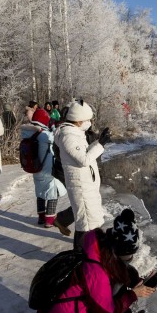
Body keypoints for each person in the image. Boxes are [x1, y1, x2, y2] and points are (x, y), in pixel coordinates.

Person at [36, 209, 157, 313]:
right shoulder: (96, 272)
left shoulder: (101, 250)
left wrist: (139, 284)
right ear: (119, 251)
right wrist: (133, 294)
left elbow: (124, 275)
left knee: (124, 293)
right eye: (129, 256)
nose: (130, 259)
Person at [53, 100, 112, 249]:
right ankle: (80, 257)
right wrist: (100, 145)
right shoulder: (69, 136)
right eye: (87, 120)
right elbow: (84, 159)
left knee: (87, 219)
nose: (89, 122)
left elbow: (83, 153)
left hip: (85, 182)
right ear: (78, 120)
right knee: (84, 223)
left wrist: (99, 141)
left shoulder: (76, 133)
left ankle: (86, 254)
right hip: (80, 185)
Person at [23, 108, 71, 235]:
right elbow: (57, 138)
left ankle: (41, 217)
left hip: (35, 167)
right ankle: (49, 220)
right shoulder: (44, 135)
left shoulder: (28, 132)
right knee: (52, 192)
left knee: (40, 192)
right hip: (47, 169)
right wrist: (56, 127)